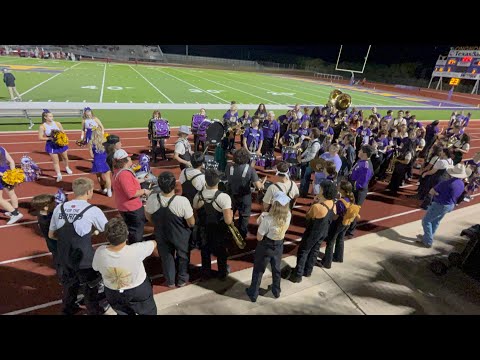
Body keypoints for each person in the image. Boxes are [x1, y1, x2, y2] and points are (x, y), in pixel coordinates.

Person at [48, 178, 109, 315]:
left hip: (65, 256)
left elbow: (51, 234)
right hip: (84, 257)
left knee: (70, 284)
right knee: (90, 286)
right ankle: (94, 311)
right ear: (89, 191)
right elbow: (108, 230)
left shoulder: (59, 208)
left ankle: (68, 309)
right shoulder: (93, 210)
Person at [92, 217, 158, 315]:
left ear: (107, 237)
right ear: (126, 234)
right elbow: (153, 243)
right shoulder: (136, 249)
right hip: (139, 290)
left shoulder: (100, 252)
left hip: (113, 292)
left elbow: (95, 267)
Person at [145, 172, 195, 288]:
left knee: (166, 257)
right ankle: (182, 279)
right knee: (183, 256)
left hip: (161, 233)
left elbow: (148, 216)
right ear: (174, 186)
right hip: (180, 233)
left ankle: (170, 281)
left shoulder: (152, 198)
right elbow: (191, 222)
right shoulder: (182, 201)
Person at [245, 191, 292, 302]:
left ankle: (253, 293)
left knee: (259, 269)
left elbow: (259, 237)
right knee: (276, 269)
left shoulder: (267, 220)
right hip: (279, 244)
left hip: (266, 245)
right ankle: (276, 291)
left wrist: (262, 219)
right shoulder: (289, 214)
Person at [289, 181, 337, 283]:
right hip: (324, 231)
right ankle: (308, 271)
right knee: (315, 250)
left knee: (303, 251)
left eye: (321, 189)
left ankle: (297, 275)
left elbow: (308, 216)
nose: (319, 190)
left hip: (313, 232)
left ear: (324, 191)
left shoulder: (318, 207)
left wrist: (314, 203)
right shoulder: (333, 204)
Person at [417, 164, 472, 248]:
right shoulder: (461, 183)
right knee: (436, 221)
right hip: (450, 205)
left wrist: (436, 194)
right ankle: (428, 236)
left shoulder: (446, 183)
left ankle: (428, 240)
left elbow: (431, 191)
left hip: (440, 204)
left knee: (426, 221)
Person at [193, 168, 233, 280]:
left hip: (204, 230)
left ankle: (206, 274)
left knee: (205, 252)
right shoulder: (224, 198)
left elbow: (195, 213)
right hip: (219, 231)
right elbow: (228, 221)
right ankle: (222, 273)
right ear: (218, 181)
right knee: (221, 253)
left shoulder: (198, 196)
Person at [112, 149, 150, 244]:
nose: (130, 158)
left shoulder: (118, 171)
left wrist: (142, 180)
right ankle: (135, 249)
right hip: (131, 208)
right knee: (136, 230)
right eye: (128, 157)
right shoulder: (124, 174)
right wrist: (144, 191)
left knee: (132, 229)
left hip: (124, 206)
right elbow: (131, 193)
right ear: (125, 161)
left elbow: (128, 184)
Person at [226, 148, 264, 239]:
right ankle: (242, 237)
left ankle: (227, 234)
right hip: (244, 198)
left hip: (231, 196)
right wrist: (261, 183)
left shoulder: (228, 167)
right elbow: (258, 186)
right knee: (244, 218)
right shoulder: (250, 170)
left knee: (229, 215)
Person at [38, 109, 72, 182]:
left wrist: (62, 138)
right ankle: (59, 174)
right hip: (51, 144)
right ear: (45, 117)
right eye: (50, 116)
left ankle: (67, 167)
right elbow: (40, 137)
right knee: (55, 161)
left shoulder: (57, 123)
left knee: (65, 158)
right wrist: (50, 138)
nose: (52, 117)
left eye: (52, 116)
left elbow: (63, 132)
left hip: (60, 143)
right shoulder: (42, 126)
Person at [31, 194, 58, 270]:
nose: (56, 204)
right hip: (57, 241)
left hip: (51, 242)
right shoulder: (48, 219)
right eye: (54, 203)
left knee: (56, 255)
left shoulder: (41, 213)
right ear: (46, 207)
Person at [0, 146, 24, 224]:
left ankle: (15, 214)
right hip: (7, 174)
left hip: (2, 176)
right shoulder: (2, 148)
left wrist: (2, 175)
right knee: (12, 193)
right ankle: (14, 210)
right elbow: (11, 161)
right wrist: (13, 174)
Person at [89, 127, 112, 197]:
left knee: (99, 176)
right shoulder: (105, 142)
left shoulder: (91, 143)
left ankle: (103, 188)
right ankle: (109, 192)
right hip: (105, 161)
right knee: (108, 177)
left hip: (96, 162)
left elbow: (92, 155)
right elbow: (109, 152)